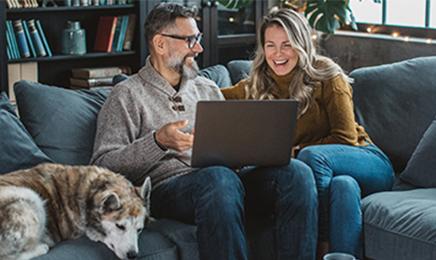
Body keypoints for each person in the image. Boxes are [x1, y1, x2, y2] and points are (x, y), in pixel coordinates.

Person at [90, 3, 318, 260]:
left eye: (197, 38)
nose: (198, 48)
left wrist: (248, 152)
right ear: (160, 44)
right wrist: (158, 142)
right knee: (218, 179)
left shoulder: (207, 88)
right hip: (170, 190)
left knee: (296, 173)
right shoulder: (127, 95)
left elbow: (229, 153)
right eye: (190, 40)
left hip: (226, 182)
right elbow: (102, 165)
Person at [221, 8, 395, 260]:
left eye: (287, 45)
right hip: (335, 176)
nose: (278, 54)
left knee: (312, 157)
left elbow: (346, 138)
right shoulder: (256, 84)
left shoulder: (326, 74)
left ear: (301, 44)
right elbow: (211, 98)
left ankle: (320, 248)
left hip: (367, 160)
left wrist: (297, 151)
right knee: (342, 187)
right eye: (270, 45)